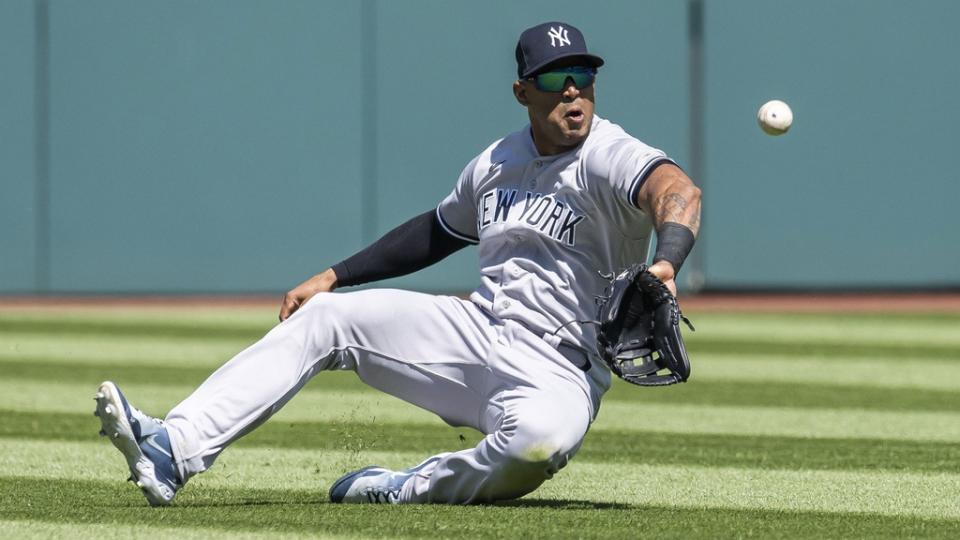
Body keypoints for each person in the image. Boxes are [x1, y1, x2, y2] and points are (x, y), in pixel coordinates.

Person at [94, 20, 701, 506]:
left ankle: (404, 486)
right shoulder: (495, 162)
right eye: (553, 79)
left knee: (535, 449)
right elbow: (438, 232)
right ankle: (172, 446)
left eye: (582, 76)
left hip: (560, 370)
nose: (573, 91)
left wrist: (668, 261)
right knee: (327, 317)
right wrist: (334, 275)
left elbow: (678, 193)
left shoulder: (610, 154)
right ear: (522, 93)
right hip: (479, 334)